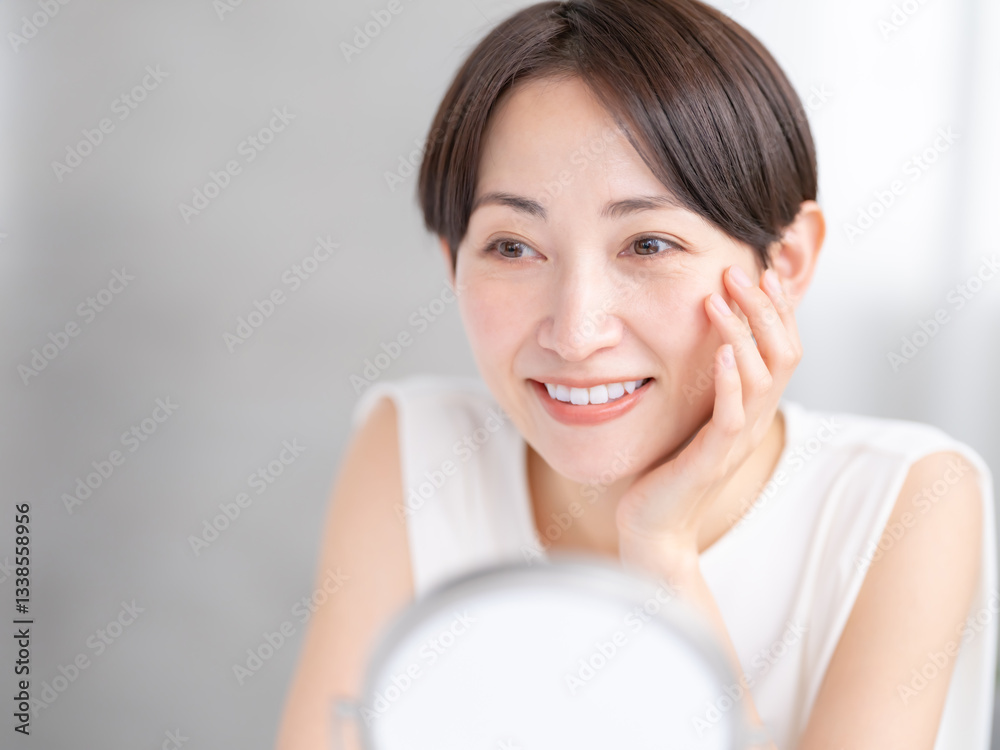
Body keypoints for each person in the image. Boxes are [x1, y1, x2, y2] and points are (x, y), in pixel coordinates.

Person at [276, 1, 997, 748]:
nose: (576, 332)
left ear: (783, 264)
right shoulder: (414, 451)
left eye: (648, 244)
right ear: (453, 262)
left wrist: (661, 551)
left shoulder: (906, 500)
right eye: (513, 247)